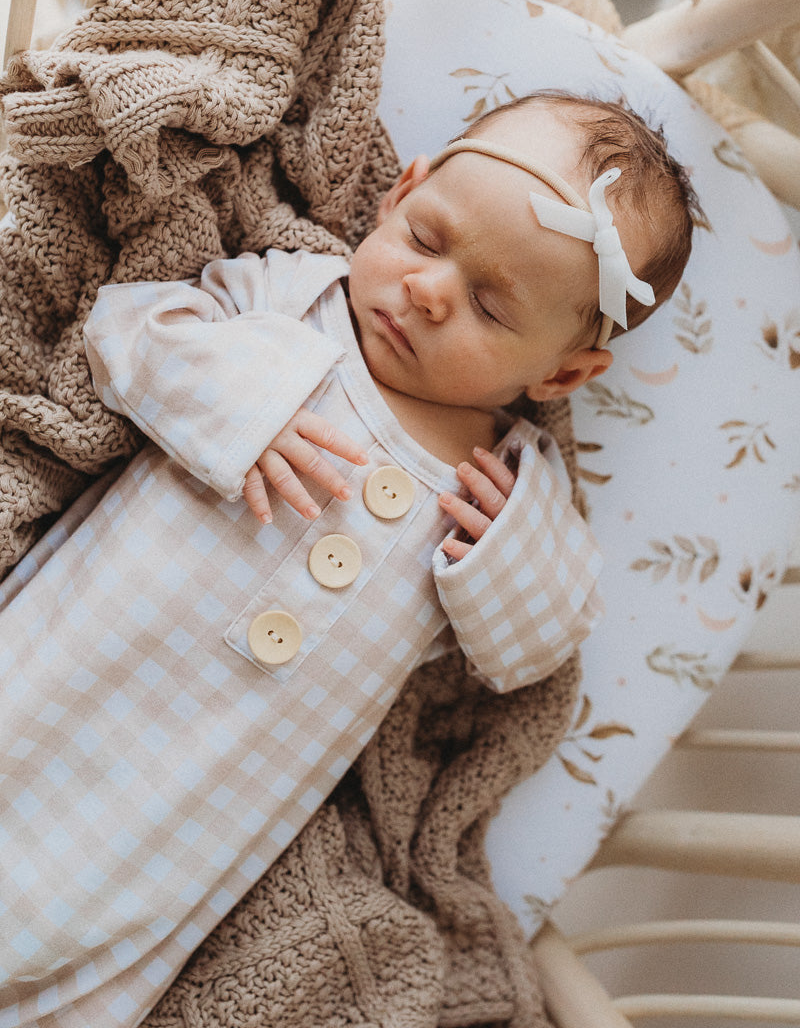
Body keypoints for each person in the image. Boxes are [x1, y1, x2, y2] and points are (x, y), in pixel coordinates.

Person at [0, 91, 696, 1027]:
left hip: (199, 799)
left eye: (490, 306)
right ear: (397, 194)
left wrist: (505, 552)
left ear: (561, 374)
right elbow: (128, 331)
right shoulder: (294, 300)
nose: (427, 290)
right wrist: (247, 406)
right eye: (425, 236)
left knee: (84, 956)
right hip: (66, 672)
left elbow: (541, 642)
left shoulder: (513, 488)